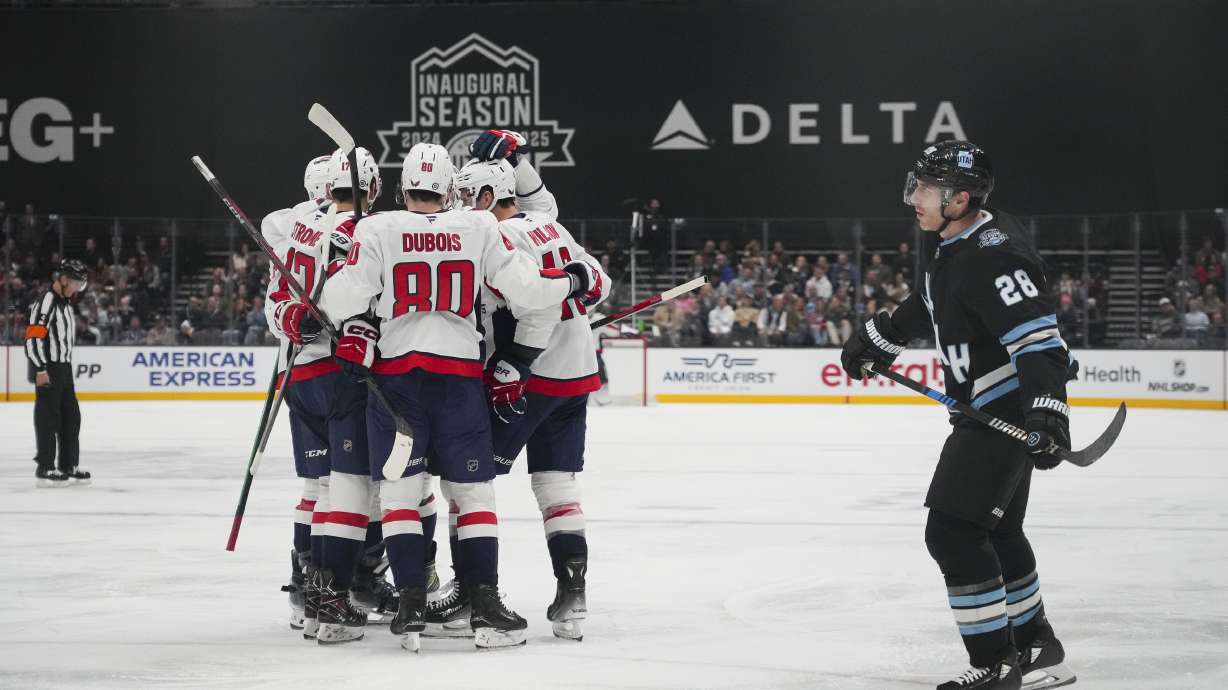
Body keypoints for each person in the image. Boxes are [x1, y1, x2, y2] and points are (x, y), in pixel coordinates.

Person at [319, 142, 592, 651]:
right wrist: (573, 279)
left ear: (402, 189)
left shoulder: (377, 228)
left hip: (396, 380)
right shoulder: (480, 227)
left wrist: (341, 268)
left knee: (401, 493)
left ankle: (411, 606)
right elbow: (531, 292)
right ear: (448, 189)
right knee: (472, 495)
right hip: (459, 382)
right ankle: (484, 605)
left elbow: (339, 302)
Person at [840, 141, 1077, 690]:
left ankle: (996, 663)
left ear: (961, 198)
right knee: (998, 529)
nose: (914, 197)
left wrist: (1047, 411)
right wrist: (881, 337)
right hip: (989, 408)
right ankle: (1036, 645)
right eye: (915, 184)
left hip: (1002, 411)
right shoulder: (954, 240)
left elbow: (1040, 342)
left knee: (952, 533)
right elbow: (931, 301)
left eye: (926, 189)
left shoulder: (995, 253)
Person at [458, 134, 611, 641]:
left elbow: (535, 303)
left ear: (484, 199)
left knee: (470, 481)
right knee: (556, 483)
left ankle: (473, 590)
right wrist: (515, 161)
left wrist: (515, 361)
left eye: (467, 197)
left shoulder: (497, 239)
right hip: (577, 375)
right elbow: (601, 283)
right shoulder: (549, 224)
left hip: (530, 380)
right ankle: (573, 594)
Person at [25, 259, 91, 487]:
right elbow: (33, 338)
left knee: (71, 417)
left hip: (64, 367)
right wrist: (40, 368)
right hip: (49, 367)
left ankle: (68, 464)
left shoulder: (65, 303)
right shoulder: (46, 302)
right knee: (48, 418)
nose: (76, 289)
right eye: (75, 283)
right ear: (63, 280)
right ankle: (45, 467)